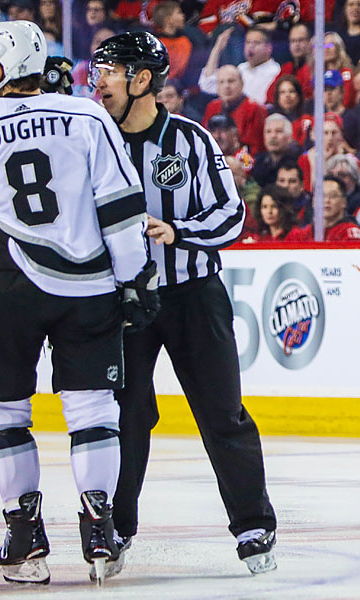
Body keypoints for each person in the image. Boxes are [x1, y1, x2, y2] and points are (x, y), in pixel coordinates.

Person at [0, 20, 158, 585]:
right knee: (93, 411)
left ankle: (25, 539)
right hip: (89, 285)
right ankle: (99, 531)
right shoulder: (88, 116)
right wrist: (135, 279)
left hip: (11, 283)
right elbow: (118, 205)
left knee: (2, 412)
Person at [90, 31, 277, 574]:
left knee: (222, 414)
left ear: (143, 79)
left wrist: (175, 229)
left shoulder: (191, 141)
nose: (97, 81)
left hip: (194, 295)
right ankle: (116, 529)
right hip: (123, 300)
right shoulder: (92, 143)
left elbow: (231, 217)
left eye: (110, 71)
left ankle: (253, 524)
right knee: (125, 417)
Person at [286, 176, 360, 241]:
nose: (327, 200)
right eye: (321, 195)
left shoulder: (351, 233)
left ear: (343, 202)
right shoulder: (299, 235)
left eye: (333, 196)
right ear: (313, 201)